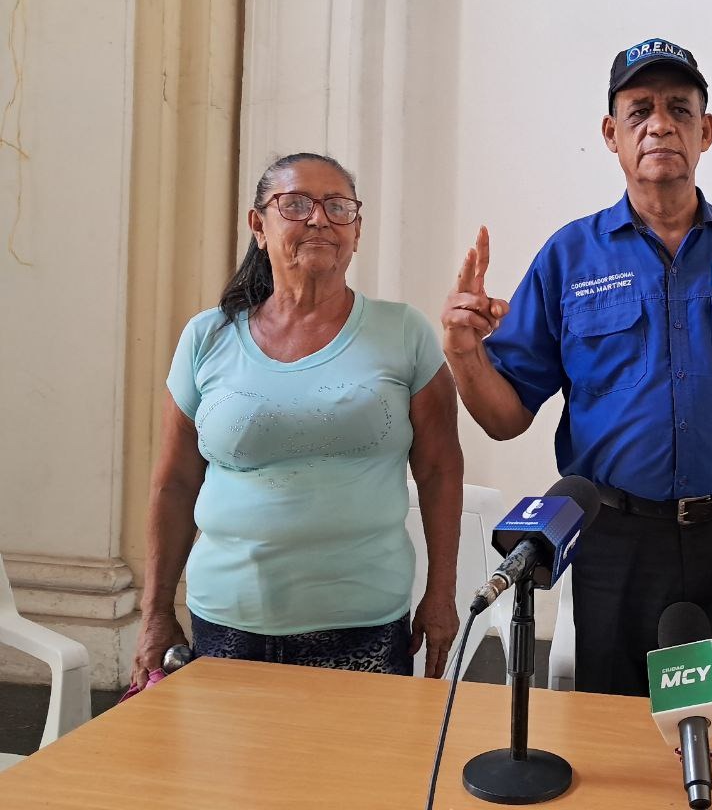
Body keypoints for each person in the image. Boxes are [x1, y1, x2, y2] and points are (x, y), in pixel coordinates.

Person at [441, 38, 712, 706]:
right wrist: (464, 353)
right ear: (611, 134)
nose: (660, 125)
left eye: (680, 109)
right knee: (620, 739)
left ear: (706, 131)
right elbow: (505, 419)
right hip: (618, 546)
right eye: (640, 111)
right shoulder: (569, 257)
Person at [130, 153, 463, 687]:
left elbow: (440, 469)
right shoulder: (207, 336)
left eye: (338, 207)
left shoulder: (403, 333)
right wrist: (155, 612)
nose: (319, 219)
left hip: (364, 619)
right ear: (258, 225)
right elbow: (174, 482)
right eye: (296, 204)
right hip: (227, 617)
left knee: (358, 747)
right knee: (229, 747)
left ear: (356, 231)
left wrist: (441, 594)